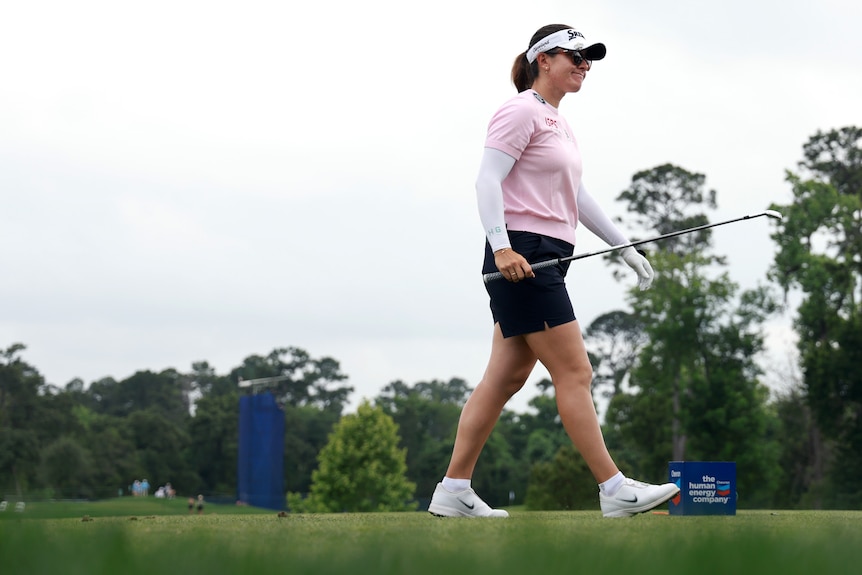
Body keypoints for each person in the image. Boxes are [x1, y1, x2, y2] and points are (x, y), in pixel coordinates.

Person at [427, 23, 680, 519]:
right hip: (522, 258)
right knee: (574, 370)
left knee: (505, 377)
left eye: (589, 60)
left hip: (548, 256)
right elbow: (487, 180)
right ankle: (614, 489)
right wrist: (502, 248)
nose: (584, 66)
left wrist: (624, 247)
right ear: (543, 59)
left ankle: (452, 490)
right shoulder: (520, 110)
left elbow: (576, 196)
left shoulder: (558, 122)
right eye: (576, 57)